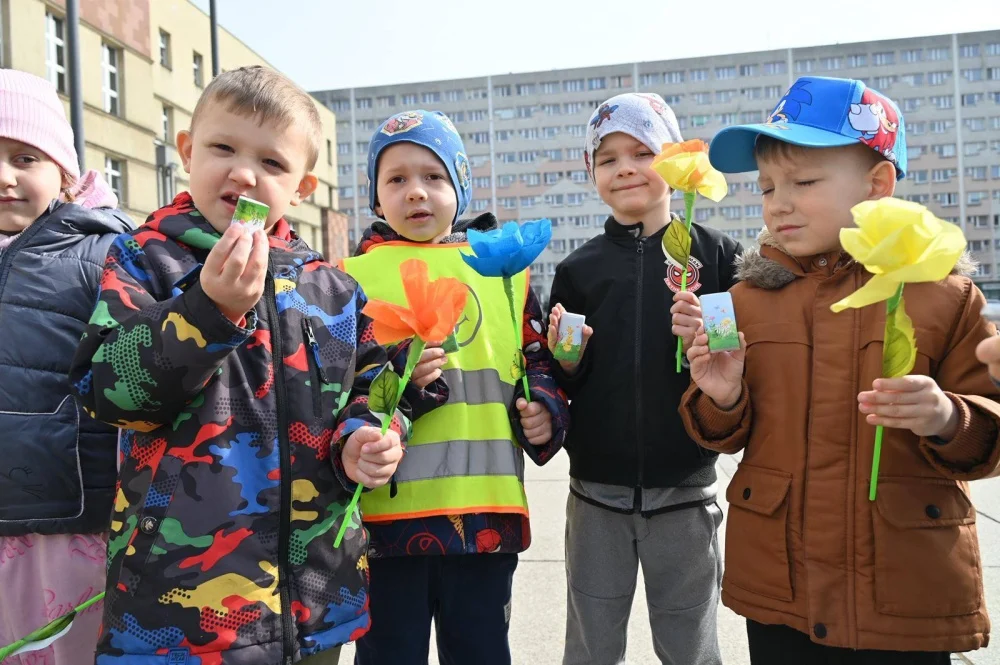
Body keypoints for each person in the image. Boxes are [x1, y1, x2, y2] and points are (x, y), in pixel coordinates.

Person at [70, 66, 424, 665]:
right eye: (222, 148)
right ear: (186, 151)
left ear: (302, 187)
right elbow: (108, 391)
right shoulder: (143, 259)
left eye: (272, 163)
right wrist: (208, 310)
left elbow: (371, 387)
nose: (243, 172)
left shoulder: (332, 288)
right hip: (177, 613)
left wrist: (369, 435)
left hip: (314, 600)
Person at [679, 75, 1000, 664]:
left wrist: (947, 417)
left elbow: (991, 430)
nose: (779, 201)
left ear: (878, 185)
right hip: (783, 588)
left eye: (803, 181)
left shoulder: (945, 296)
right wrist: (722, 398)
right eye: (767, 185)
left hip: (902, 592)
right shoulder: (745, 300)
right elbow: (720, 431)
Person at [343, 109, 569, 665]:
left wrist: (544, 409)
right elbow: (333, 390)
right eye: (396, 179)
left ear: (460, 188)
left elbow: (535, 359)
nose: (416, 192)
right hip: (386, 523)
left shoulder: (505, 273)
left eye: (433, 177)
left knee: (482, 650)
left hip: (485, 518)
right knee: (390, 654)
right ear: (375, 198)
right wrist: (393, 385)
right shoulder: (348, 280)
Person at [548, 92, 741, 665]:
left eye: (642, 151)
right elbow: (560, 381)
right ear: (592, 173)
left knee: (691, 644)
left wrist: (709, 339)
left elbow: (736, 365)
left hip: (686, 489)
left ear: (674, 162)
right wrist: (566, 363)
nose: (626, 167)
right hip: (596, 493)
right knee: (590, 641)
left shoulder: (717, 256)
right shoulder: (577, 270)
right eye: (608, 159)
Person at [0, 68, 134, 665]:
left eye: (25, 157)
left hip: (70, 523)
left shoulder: (105, 251)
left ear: (64, 174)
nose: (5, 177)